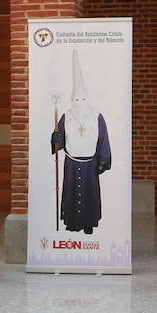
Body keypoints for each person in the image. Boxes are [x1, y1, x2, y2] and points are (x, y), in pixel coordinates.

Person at [51, 49, 112, 233]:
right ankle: (72, 223)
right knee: (71, 194)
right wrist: (55, 138)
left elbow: (103, 139)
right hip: (71, 163)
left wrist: (103, 160)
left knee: (89, 194)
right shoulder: (66, 116)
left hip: (90, 163)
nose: (79, 102)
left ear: (87, 99)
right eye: (76, 99)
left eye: (82, 99)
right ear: (71, 100)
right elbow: (59, 140)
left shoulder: (96, 117)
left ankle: (88, 224)